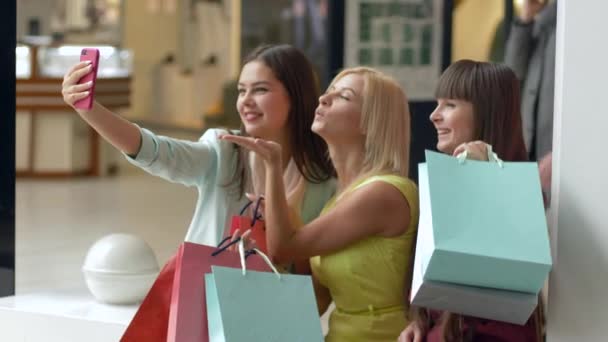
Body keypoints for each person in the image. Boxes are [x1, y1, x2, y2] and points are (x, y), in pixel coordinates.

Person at [61, 44, 335, 247]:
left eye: (260, 90)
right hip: (207, 300)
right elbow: (154, 151)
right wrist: (89, 110)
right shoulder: (224, 150)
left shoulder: (321, 179)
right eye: (242, 90)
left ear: (297, 96)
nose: (246, 101)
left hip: (274, 306)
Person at [222, 66, 419, 342]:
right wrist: (257, 260)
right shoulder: (339, 200)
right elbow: (313, 302)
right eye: (328, 92)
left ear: (370, 122)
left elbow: (285, 246)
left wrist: (273, 165)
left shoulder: (383, 192)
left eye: (344, 96)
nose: (323, 99)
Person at [398, 60, 543, 342]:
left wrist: (487, 178)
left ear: (487, 112)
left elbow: (505, 280)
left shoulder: (522, 194)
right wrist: (420, 323)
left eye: (449, 105)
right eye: (438, 103)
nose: (433, 115)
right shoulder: (447, 183)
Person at [504, 0, 557, 161]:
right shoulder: (540, 19)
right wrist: (526, 18)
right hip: (530, 142)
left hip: (556, 149)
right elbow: (512, 72)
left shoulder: (574, 16)